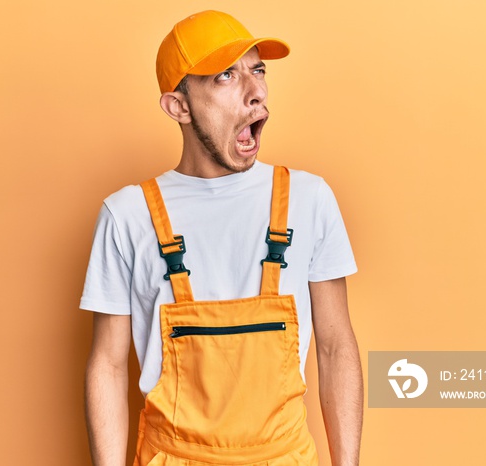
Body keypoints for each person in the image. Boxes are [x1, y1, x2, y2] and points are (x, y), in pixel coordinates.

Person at [82, 10, 363, 466]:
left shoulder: (309, 199)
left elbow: (335, 346)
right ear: (179, 106)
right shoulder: (127, 215)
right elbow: (108, 366)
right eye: (226, 76)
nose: (256, 93)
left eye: (258, 70)